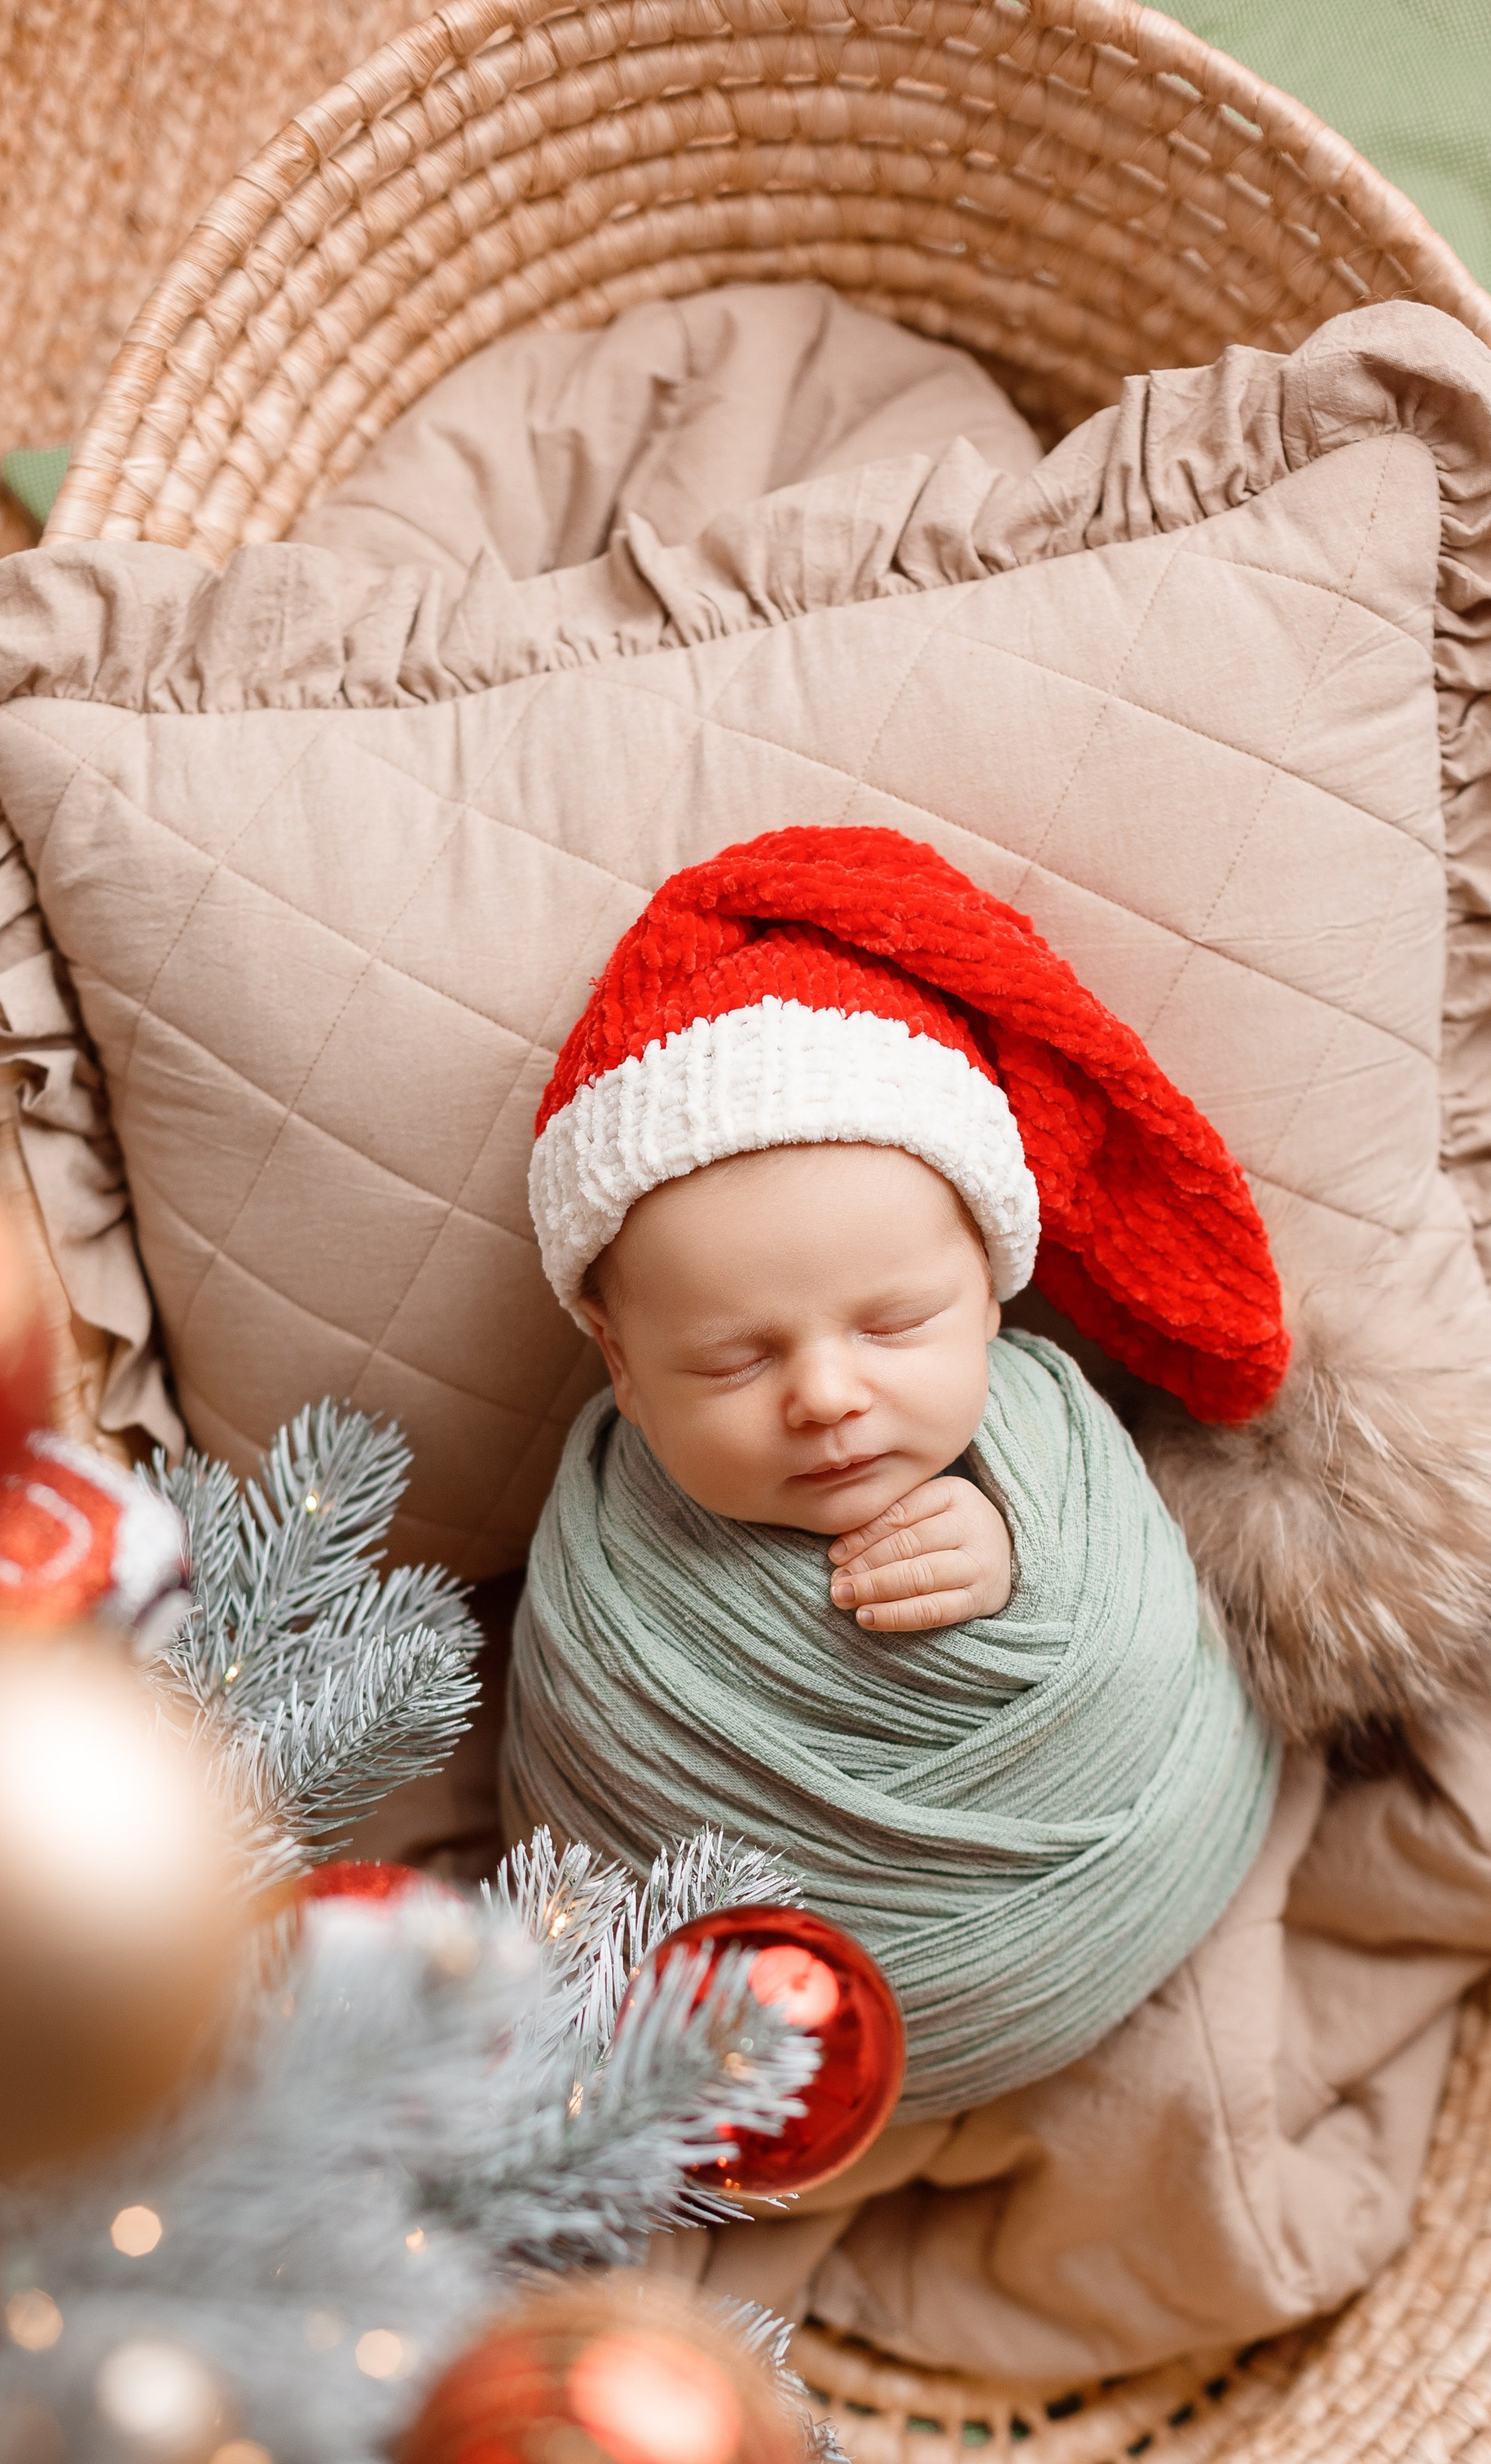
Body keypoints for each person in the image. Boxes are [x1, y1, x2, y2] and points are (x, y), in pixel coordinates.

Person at [501, 821, 1295, 2124]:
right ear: (623, 1368)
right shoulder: (606, 1562)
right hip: (746, 2034)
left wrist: (1015, 1546)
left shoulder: (1051, 1436)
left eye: (892, 1326)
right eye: (732, 1359)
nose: (825, 1393)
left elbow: (1136, 1619)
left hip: (1119, 1872)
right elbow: (590, 1785)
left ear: (990, 1292)